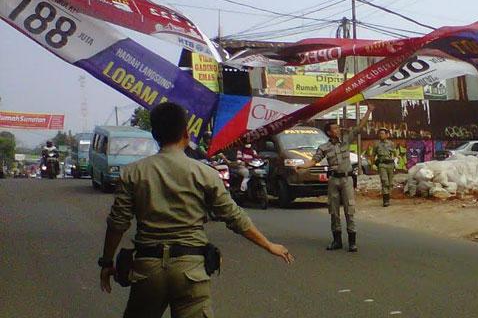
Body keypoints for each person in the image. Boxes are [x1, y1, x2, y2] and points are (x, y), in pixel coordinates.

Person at [98, 102, 293, 317]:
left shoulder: (132, 173)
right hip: (191, 270)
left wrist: (107, 262)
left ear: (154, 134)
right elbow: (234, 217)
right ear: (186, 133)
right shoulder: (205, 174)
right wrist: (268, 245)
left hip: (147, 270)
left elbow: (117, 223)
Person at [296, 104, 375, 252]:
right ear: (329, 132)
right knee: (334, 211)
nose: (338, 130)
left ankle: (352, 242)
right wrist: (302, 166)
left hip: (347, 180)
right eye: (335, 129)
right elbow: (314, 160)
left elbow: (359, 127)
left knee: (349, 210)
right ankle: (336, 240)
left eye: (338, 128)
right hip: (333, 180)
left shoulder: (346, 140)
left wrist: (369, 111)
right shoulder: (324, 147)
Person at [372, 128, 396, 207]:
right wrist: (373, 164)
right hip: (382, 165)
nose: (381, 135)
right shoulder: (376, 144)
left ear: (386, 135)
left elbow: (395, 153)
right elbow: (373, 155)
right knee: (384, 181)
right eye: (380, 133)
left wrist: (396, 161)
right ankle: (385, 200)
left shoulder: (391, 144)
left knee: (390, 183)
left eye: (382, 133)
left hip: (390, 165)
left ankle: (388, 196)